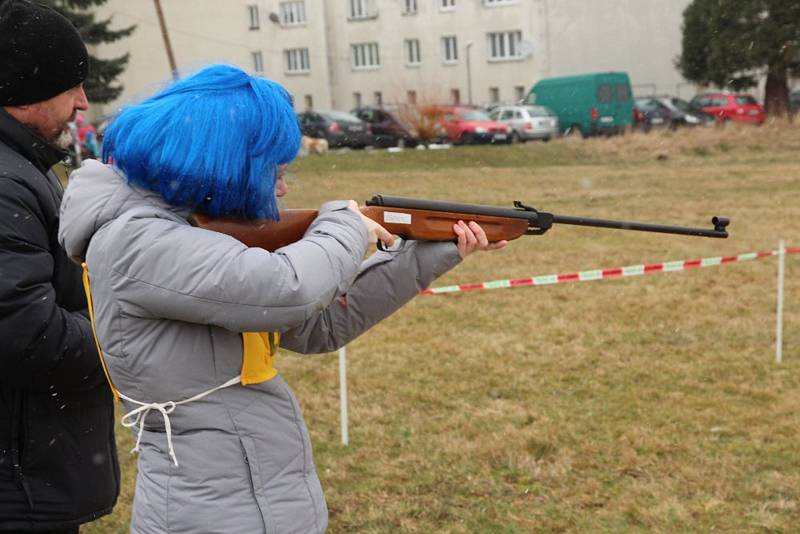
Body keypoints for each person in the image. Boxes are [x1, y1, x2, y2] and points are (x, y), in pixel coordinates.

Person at [58, 63, 505, 533]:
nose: (283, 187)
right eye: (274, 170)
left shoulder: (181, 233)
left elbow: (319, 324)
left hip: (254, 499)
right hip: (212, 513)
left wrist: (431, 251)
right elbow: (289, 290)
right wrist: (346, 224)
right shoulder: (136, 242)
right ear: (225, 161)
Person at [0, 1, 120, 533]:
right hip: (19, 485)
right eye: (71, 84)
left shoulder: (24, 167)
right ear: (24, 90)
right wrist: (130, 339)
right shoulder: (6, 184)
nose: (82, 101)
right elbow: (27, 332)